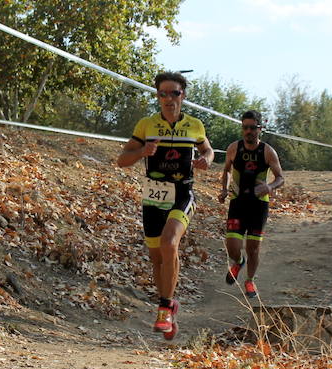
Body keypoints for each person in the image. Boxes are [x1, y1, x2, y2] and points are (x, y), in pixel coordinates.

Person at [117, 72, 214, 340]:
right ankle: (169, 305)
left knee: (170, 243)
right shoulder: (146, 125)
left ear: (183, 96)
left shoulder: (195, 125)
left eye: (175, 93)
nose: (169, 99)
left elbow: (208, 150)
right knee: (158, 259)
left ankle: (164, 309)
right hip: (153, 197)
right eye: (163, 93)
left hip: (183, 194)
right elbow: (122, 159)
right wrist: (142, 152)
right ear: (157, 96)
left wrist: (205, 159)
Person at [218, 110, 284, 298]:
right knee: (232, 246)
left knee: (253, 248)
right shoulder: (234, 148)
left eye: (252, 128)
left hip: (258, 206)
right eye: (245, 127)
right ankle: (238, 262)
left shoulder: (267, 151)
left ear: (260, 129)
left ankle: (250, 281)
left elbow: (281, 178)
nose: (248, 131)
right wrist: (224, 188)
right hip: (238, 202)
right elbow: (227, 170)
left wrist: (270, 187)